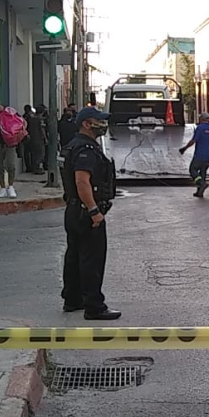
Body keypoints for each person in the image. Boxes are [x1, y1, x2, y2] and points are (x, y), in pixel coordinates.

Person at [60, 106, 121, 320]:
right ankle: (94, 306)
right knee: (91, 260)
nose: (102, 125)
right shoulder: (85, 148)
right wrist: (94, 210)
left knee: (75, 256)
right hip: (87, 211)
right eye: (99, 121)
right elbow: (81, 181)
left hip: (74, 209)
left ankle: (73, 299)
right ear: (86, 123)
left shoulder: (72, 146)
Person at [179, 113, 209, 198]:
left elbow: (193, 140)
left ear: (201, 119)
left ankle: (201, 183)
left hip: (199, 155)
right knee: (203, 173)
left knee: (193, 170)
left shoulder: (200, 128)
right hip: (208, 155)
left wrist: (184, 148)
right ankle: (199, 192)